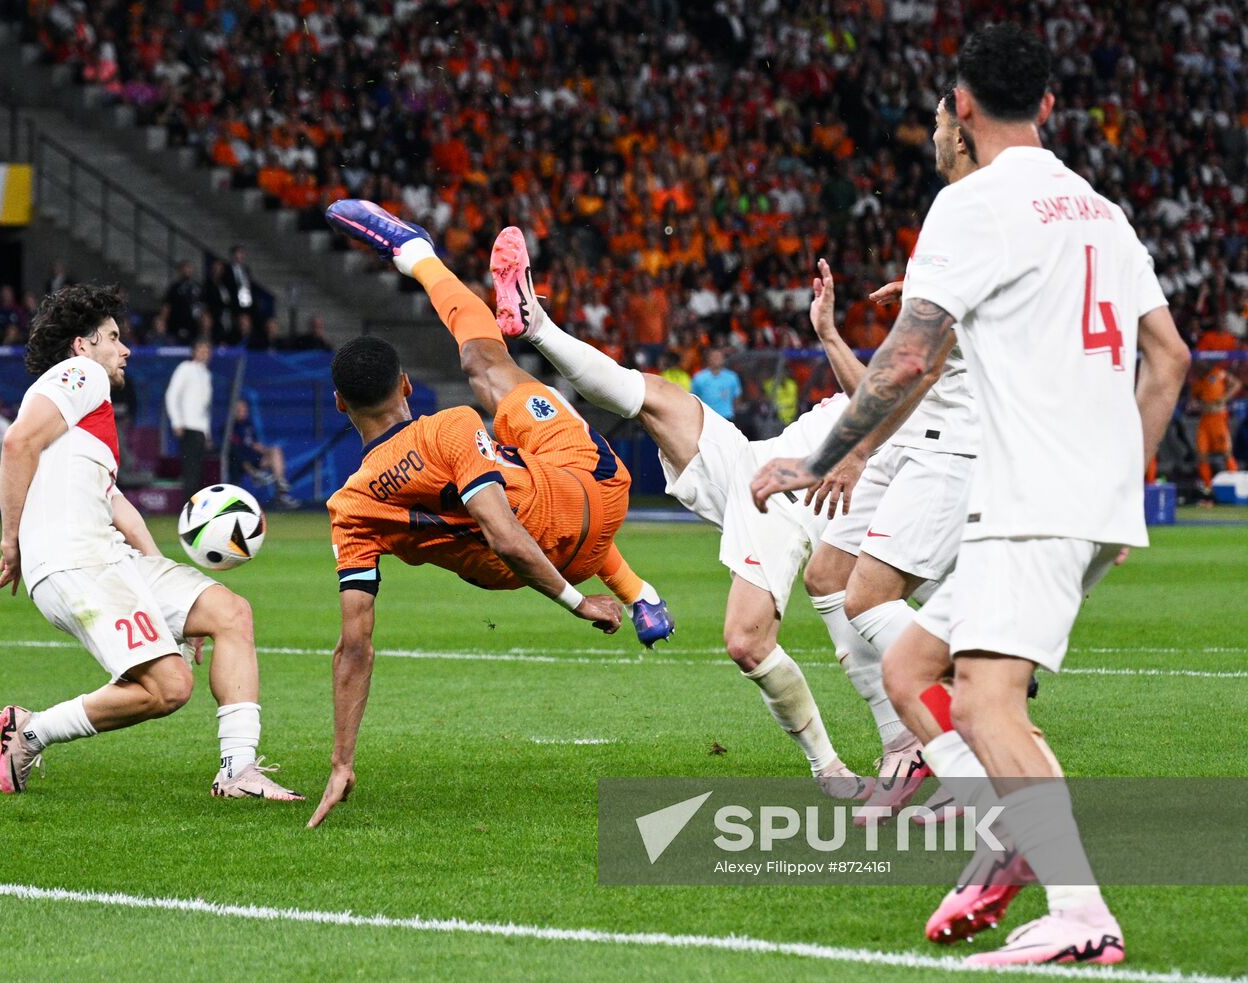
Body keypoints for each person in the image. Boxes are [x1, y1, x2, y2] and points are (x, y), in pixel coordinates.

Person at [751, 24, 1189, 967]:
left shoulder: (972, 203)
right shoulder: (1103, 211)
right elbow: (1170, 358)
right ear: (1048, 106)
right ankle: (1019, 849)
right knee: (912, 668)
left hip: (1028, 495)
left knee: (988, 706)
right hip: (1073, 498)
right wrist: (1125, 490)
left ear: (959, 109)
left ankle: (1076, 905)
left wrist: (816, 454)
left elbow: (907, 355)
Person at [491, 226, 943, 799]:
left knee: (748, 640)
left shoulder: (939, 399)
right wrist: (829, 333)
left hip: (791, 490)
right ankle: (534, 323)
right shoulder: (925, 361)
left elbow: (882, 408)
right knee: (653, 396)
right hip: (764, 458)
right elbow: (871, 395)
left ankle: (838, 764)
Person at [311, 199, 675, 828]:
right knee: (488, 367)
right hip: (596, 488)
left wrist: (342, 761)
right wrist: (577, 601)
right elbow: (505, 533)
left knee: (516, 484)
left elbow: (355, 647)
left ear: (340, 404)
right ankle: (445, 272)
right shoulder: (450, 426)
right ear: (405, 387)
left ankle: (637, 589)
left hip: (552, 559)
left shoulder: (348, 509)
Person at [0, 284, 302, 801]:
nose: (125, 349)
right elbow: (15, 442)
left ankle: (238, 771)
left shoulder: (85, 422)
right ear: (81, 347)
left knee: (229, 613)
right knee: (170, 687)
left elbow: (118, 506)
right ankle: (30, 732)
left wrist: (172, 600)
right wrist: (10, 541)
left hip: (109, 557)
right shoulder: (83, 376)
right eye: (113, 338)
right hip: (76, 562)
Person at [801, 90, 983, 818]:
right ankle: (907, 744)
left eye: (938, 121)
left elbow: (920, 361)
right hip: (916, 430)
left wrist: (853, 447)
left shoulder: (974, 210)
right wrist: (834, 335)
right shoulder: (959, 214)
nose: (930, 134)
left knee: (870, 596)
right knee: (828, 572)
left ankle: (970, 734)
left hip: (950, 435)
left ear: (962, 128)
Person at [228, 397, 298, 509]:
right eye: (239, 410)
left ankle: (280, 487)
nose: (243, 412)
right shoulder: (229, 427)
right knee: (237, 454)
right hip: (239, 461)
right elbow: (234, 448)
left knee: (275, 450)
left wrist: (263, 449)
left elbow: (253, 443)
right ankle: (255, 474)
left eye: (244, 410)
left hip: (254, 458)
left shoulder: (248, 425)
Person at [165, 340, 212, 498]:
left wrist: (207, 433)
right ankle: (188, 507)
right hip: (188, 426)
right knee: (190, 469)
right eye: (201, 349)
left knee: (198, 470)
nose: (204, 353)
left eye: (207, 350)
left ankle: (196, 506)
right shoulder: (185, 368)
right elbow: (172, 394)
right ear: (194, 352)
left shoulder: (205, 373)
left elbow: (204, 408)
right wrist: (177, 421)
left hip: (199, 428)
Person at [1190, 360, 1241, 490]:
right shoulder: (1196, 382)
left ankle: (1235, 483)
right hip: (1205, 419)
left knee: (1226, 452)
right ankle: (1208, 487)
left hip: (1219, 417)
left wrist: (1224, 398)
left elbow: (1237, 384)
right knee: (1201, 454)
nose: (1198, 366)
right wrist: (1195, 405)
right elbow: (1193, 400)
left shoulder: (1218, 373)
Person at [691, 349, 742, 421]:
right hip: (707, 418)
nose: (716, 359)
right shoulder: (699, 377)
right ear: (708, 359)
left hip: (726, 416)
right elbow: (695, 397)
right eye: (714, 357)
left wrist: (734, 412)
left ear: (723, 359)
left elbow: (736, 397)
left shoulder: (732, 377)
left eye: (719, 357)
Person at [162, 260, 203, 345]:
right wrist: (164, 321)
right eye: (184, 269)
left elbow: (202, 306)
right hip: (176, 324)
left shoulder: (197, 287)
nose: (187, 271)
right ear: (180, 271)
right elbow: (167, 306)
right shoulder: (174, 287)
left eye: (189, 269)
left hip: (194, 326)